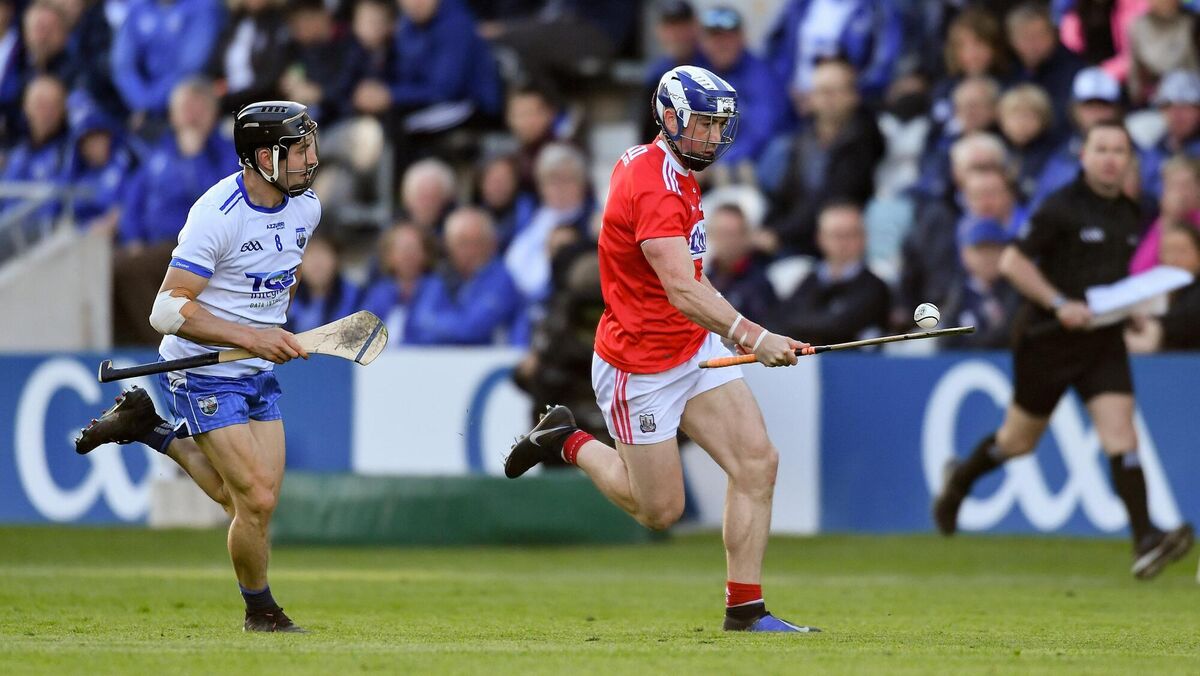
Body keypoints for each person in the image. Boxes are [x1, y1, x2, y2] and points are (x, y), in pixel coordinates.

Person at [504, 65, 818, 632]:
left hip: (691, 347)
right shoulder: (653, 184)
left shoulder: (673, 168)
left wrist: (738, 332)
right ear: (668, 118)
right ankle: (566, 439)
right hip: (640, 365)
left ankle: (746, 609)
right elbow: (681, 288)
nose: (713, 137)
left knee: (756, 462)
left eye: (719, 126)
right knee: (659, 511)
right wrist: (756, 337)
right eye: (702, 124)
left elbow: (691, 278)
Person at [74, 100, 322, 632]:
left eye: (310, 146)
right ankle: (261, 612)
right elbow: (166, 310)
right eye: (299, 149)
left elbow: (286, 269)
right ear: (264, 157)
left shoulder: (307, 207)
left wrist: (271, 324)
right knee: (254, 498)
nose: (311, 159)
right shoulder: (217, 215)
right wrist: (252, 335)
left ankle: (150, 428)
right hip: (201, 369)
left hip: (255, 368)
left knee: (250, 502)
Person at [932, 121, 1194, 580]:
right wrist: (1058, 303)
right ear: (1084, 157)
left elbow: (1109, 275)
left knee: (1122, 435)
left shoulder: (1131, 212)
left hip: (1101, 339)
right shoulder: (1060, 207)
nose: (1110, 158)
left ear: (1129, 161)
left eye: (1119, 150)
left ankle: (1145, 539)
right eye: (1101, 149)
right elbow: (1013, 262)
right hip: (1047, 339)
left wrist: (1128, 310)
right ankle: (960, 480)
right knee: (1017, 443)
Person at [769, 201, 889, 345]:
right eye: (836, 235)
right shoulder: (809, 279)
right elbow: (781, 320)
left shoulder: (874, 287)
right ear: (820, 238)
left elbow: (840, 326)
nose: (843, 243)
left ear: (864, 237)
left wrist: (802, 324)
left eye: (851, 234)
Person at [1125, 224, 1200, 352]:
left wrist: (1155, 326)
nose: (1173, 259)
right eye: (1167, 251)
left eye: (1181, 251)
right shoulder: (1151, 290)